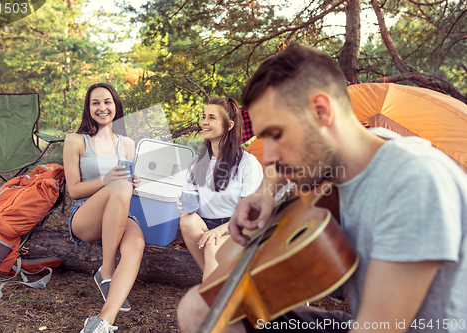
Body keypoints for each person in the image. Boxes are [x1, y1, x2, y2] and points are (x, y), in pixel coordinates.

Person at [177, 43, 467, 333]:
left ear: (321, 111)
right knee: (199, 308)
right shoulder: (356, 152)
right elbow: (277, 169)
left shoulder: (414, 182)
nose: (271, 155)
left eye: (277, 134)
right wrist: (264, 193)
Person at [63, 83, 145, 333]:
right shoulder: (76, 141)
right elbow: (74, 190)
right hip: (85, 214)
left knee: (136, 244)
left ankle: (103, 322)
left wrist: (134, 182)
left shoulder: (128, 144)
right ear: (88, 109)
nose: (102, 107)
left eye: (107, 102)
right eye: (95, 103)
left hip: (120, 212)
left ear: (116, 106)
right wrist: (109, 180)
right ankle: (107, 269)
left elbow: (124, 187)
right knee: (120, 183)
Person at [178, 97, 263, 281]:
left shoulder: (248, 163)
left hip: (239, 228)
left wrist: (220, 231)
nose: (205, 122)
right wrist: (184, 204)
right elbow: (191, 204)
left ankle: (209, 296)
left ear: (229, 125)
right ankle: (218, 285)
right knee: (187, 220)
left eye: (212, 118)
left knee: (213, 243)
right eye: (204, 117)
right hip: (206, 225)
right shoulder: (197, 163)